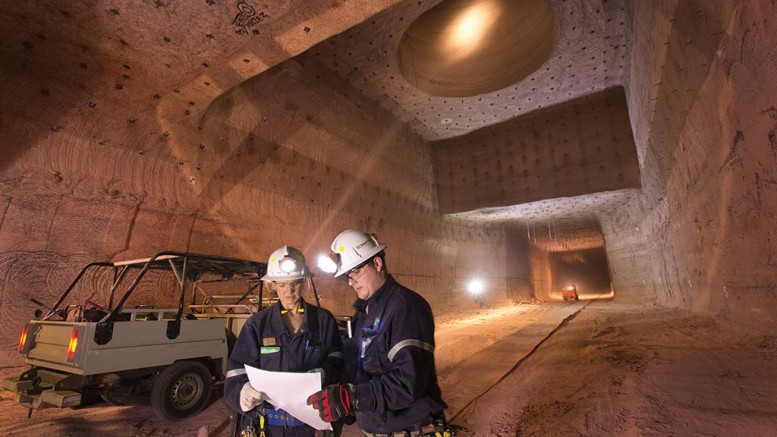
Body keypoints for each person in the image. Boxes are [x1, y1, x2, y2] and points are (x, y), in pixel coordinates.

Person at [307, 229, 451, 436]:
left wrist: (353, 396)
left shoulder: (405, 307)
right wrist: (339, 400)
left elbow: (408, 382)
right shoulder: (365, 312)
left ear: (376, 264)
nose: (350, 281)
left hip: (412, 431)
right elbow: (359, 370)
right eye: (348, 275)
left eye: (355, 272)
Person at [225, 246, 344, 437]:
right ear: (272, 285)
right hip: (269, 427)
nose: (288, 292)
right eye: (281, 285)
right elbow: (236, 371)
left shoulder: (323, 320)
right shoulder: (257, 325)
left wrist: (325, 373)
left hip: (312, 426)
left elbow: (338, 359)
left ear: (304, 282)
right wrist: (242, 392)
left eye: (294, 284)